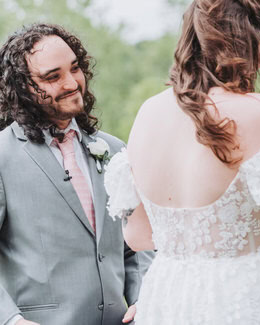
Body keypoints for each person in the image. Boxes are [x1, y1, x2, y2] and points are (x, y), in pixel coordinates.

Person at [103, 0, 260, 324]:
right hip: (246, 298)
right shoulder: (257, 111)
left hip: (169, 297)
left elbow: (138, 237)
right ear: (250, 45)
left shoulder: (148, 112)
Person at [0, 23, 149, 325]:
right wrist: (11, 320)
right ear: (22, 87)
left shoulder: (115, 149)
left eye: (75, 68)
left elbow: (137, 246)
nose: (72, 83)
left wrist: (143, 298)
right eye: (52, 77)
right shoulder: (2, 156)